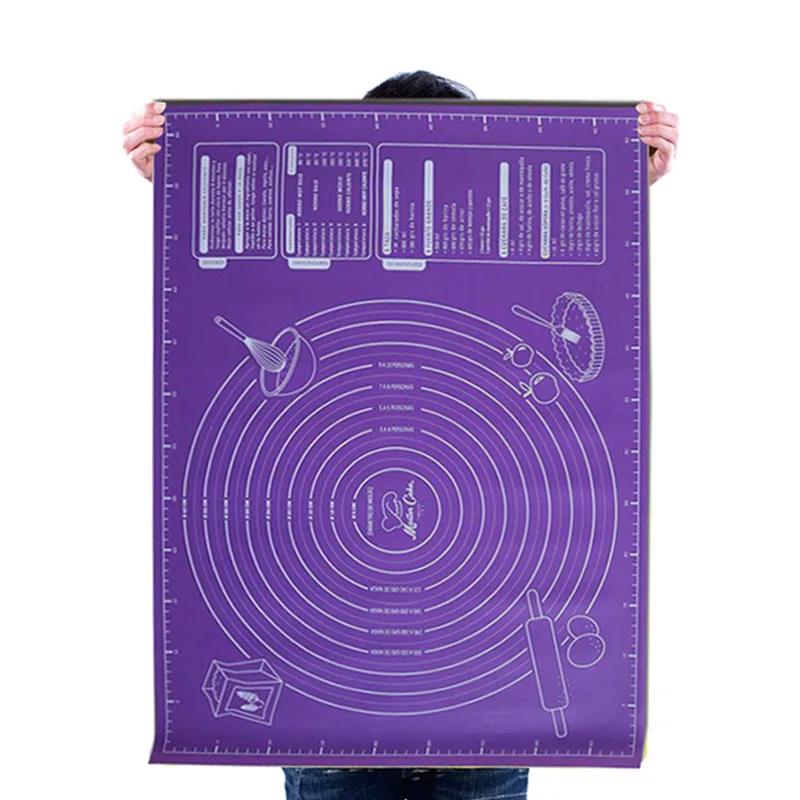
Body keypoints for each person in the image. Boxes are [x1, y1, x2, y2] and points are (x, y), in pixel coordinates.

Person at [122, 71, 679, 800]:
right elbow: (227, 286)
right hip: (332, 728)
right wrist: (178, 177)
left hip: (488, 729)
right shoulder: (318, 289)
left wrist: (621, 178)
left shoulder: (498, 300)